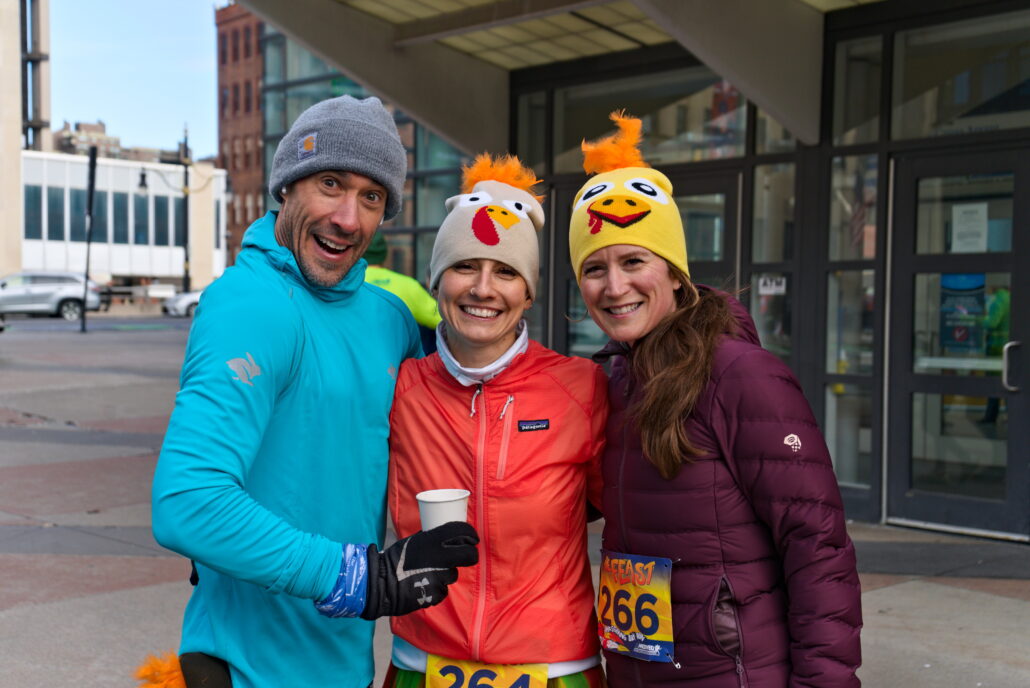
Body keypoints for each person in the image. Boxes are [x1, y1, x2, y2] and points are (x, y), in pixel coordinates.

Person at [144, 96, 479, 688]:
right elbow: (188, 502)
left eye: (371, 197)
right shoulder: (250, 304)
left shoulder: (390, 320)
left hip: (344, 666)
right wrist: (352, 576)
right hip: (246, 671)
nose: (347, 218)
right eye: (331, 184)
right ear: (286, 186)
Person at [568, 112, 862, 687]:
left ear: (675, 273)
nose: (614, 286)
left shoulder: (741, 375)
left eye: (634, 261)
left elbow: (817, 548)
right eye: (594, 268)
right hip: (640, 670)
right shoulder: (615, 381)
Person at [384, 154, 609, 688]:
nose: (483, 289)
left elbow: (631, 513)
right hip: (421, 664)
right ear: (436, 280)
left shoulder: (581, 387)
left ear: (528, 293)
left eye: (506, 272)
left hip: (555, 669)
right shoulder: (399, 387)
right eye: (465, 266)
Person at [363, 232, 442, 353]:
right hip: (399, 361)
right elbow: (443, 319)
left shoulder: (345, 285)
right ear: (384, 254)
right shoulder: (408, 285)